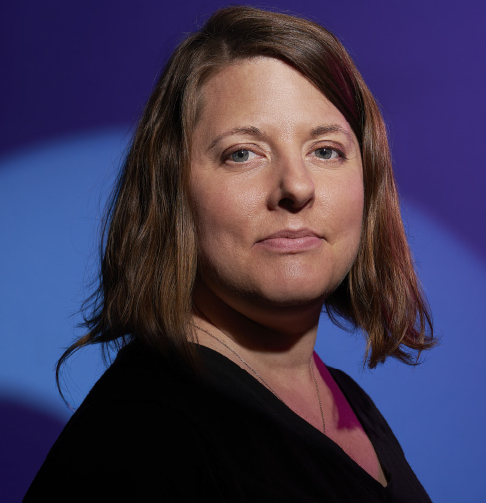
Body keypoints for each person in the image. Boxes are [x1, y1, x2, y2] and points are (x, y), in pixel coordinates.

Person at [24, 5, 435, 502]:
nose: (296, 186)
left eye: (326, 150)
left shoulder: (351, 403)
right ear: (173, 191)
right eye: (242, 153)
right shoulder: (146, 434)